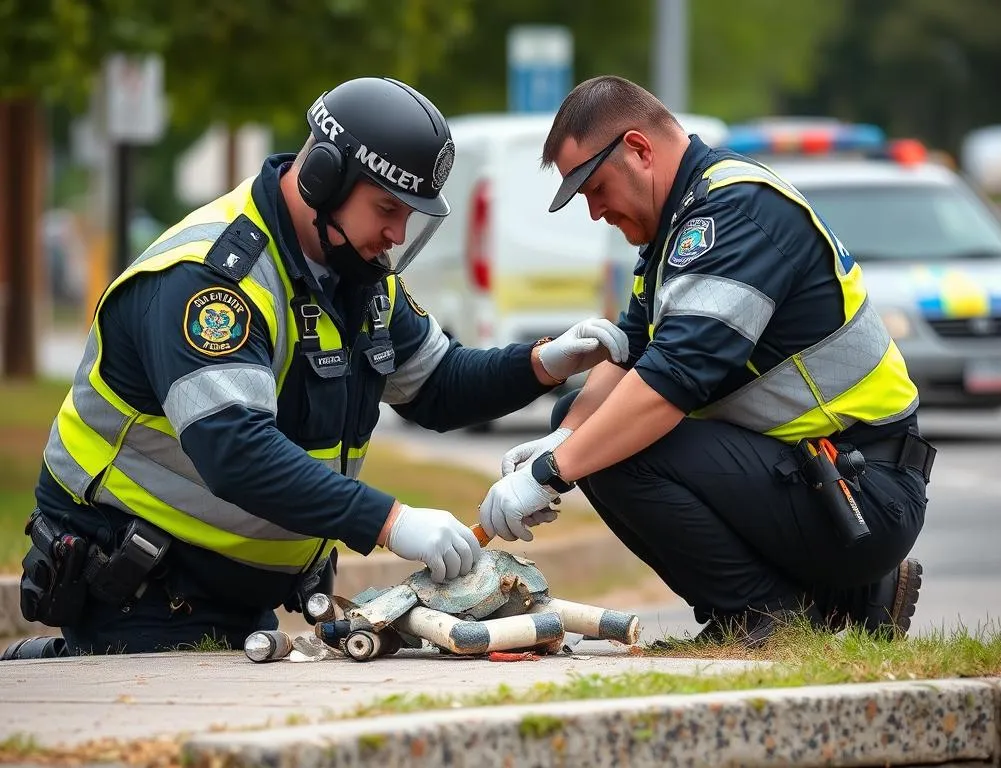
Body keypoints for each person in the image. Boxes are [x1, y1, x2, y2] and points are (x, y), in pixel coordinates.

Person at [8, 77, 628, 659]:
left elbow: (435, 387)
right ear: (323, 179)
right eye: (386, 206)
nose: (395, 231)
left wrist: (541, 364)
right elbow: (234, 449)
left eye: (410, 215)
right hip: (142, 584)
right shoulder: (213, 278)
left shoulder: (353, 274)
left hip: (234, 594)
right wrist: (391, 521)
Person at [478, 76, 936, 647]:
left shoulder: (732, 215)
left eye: (594, 187)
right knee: (583, 423)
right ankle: (850, 598)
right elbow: (634, 353)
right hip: (829, 477)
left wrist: (555, 469)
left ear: (639, 150)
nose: (594, 212)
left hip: (863, 490)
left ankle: (762, 617)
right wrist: (562, 438)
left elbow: (671, 383)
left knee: (616, 450)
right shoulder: (681, 223)